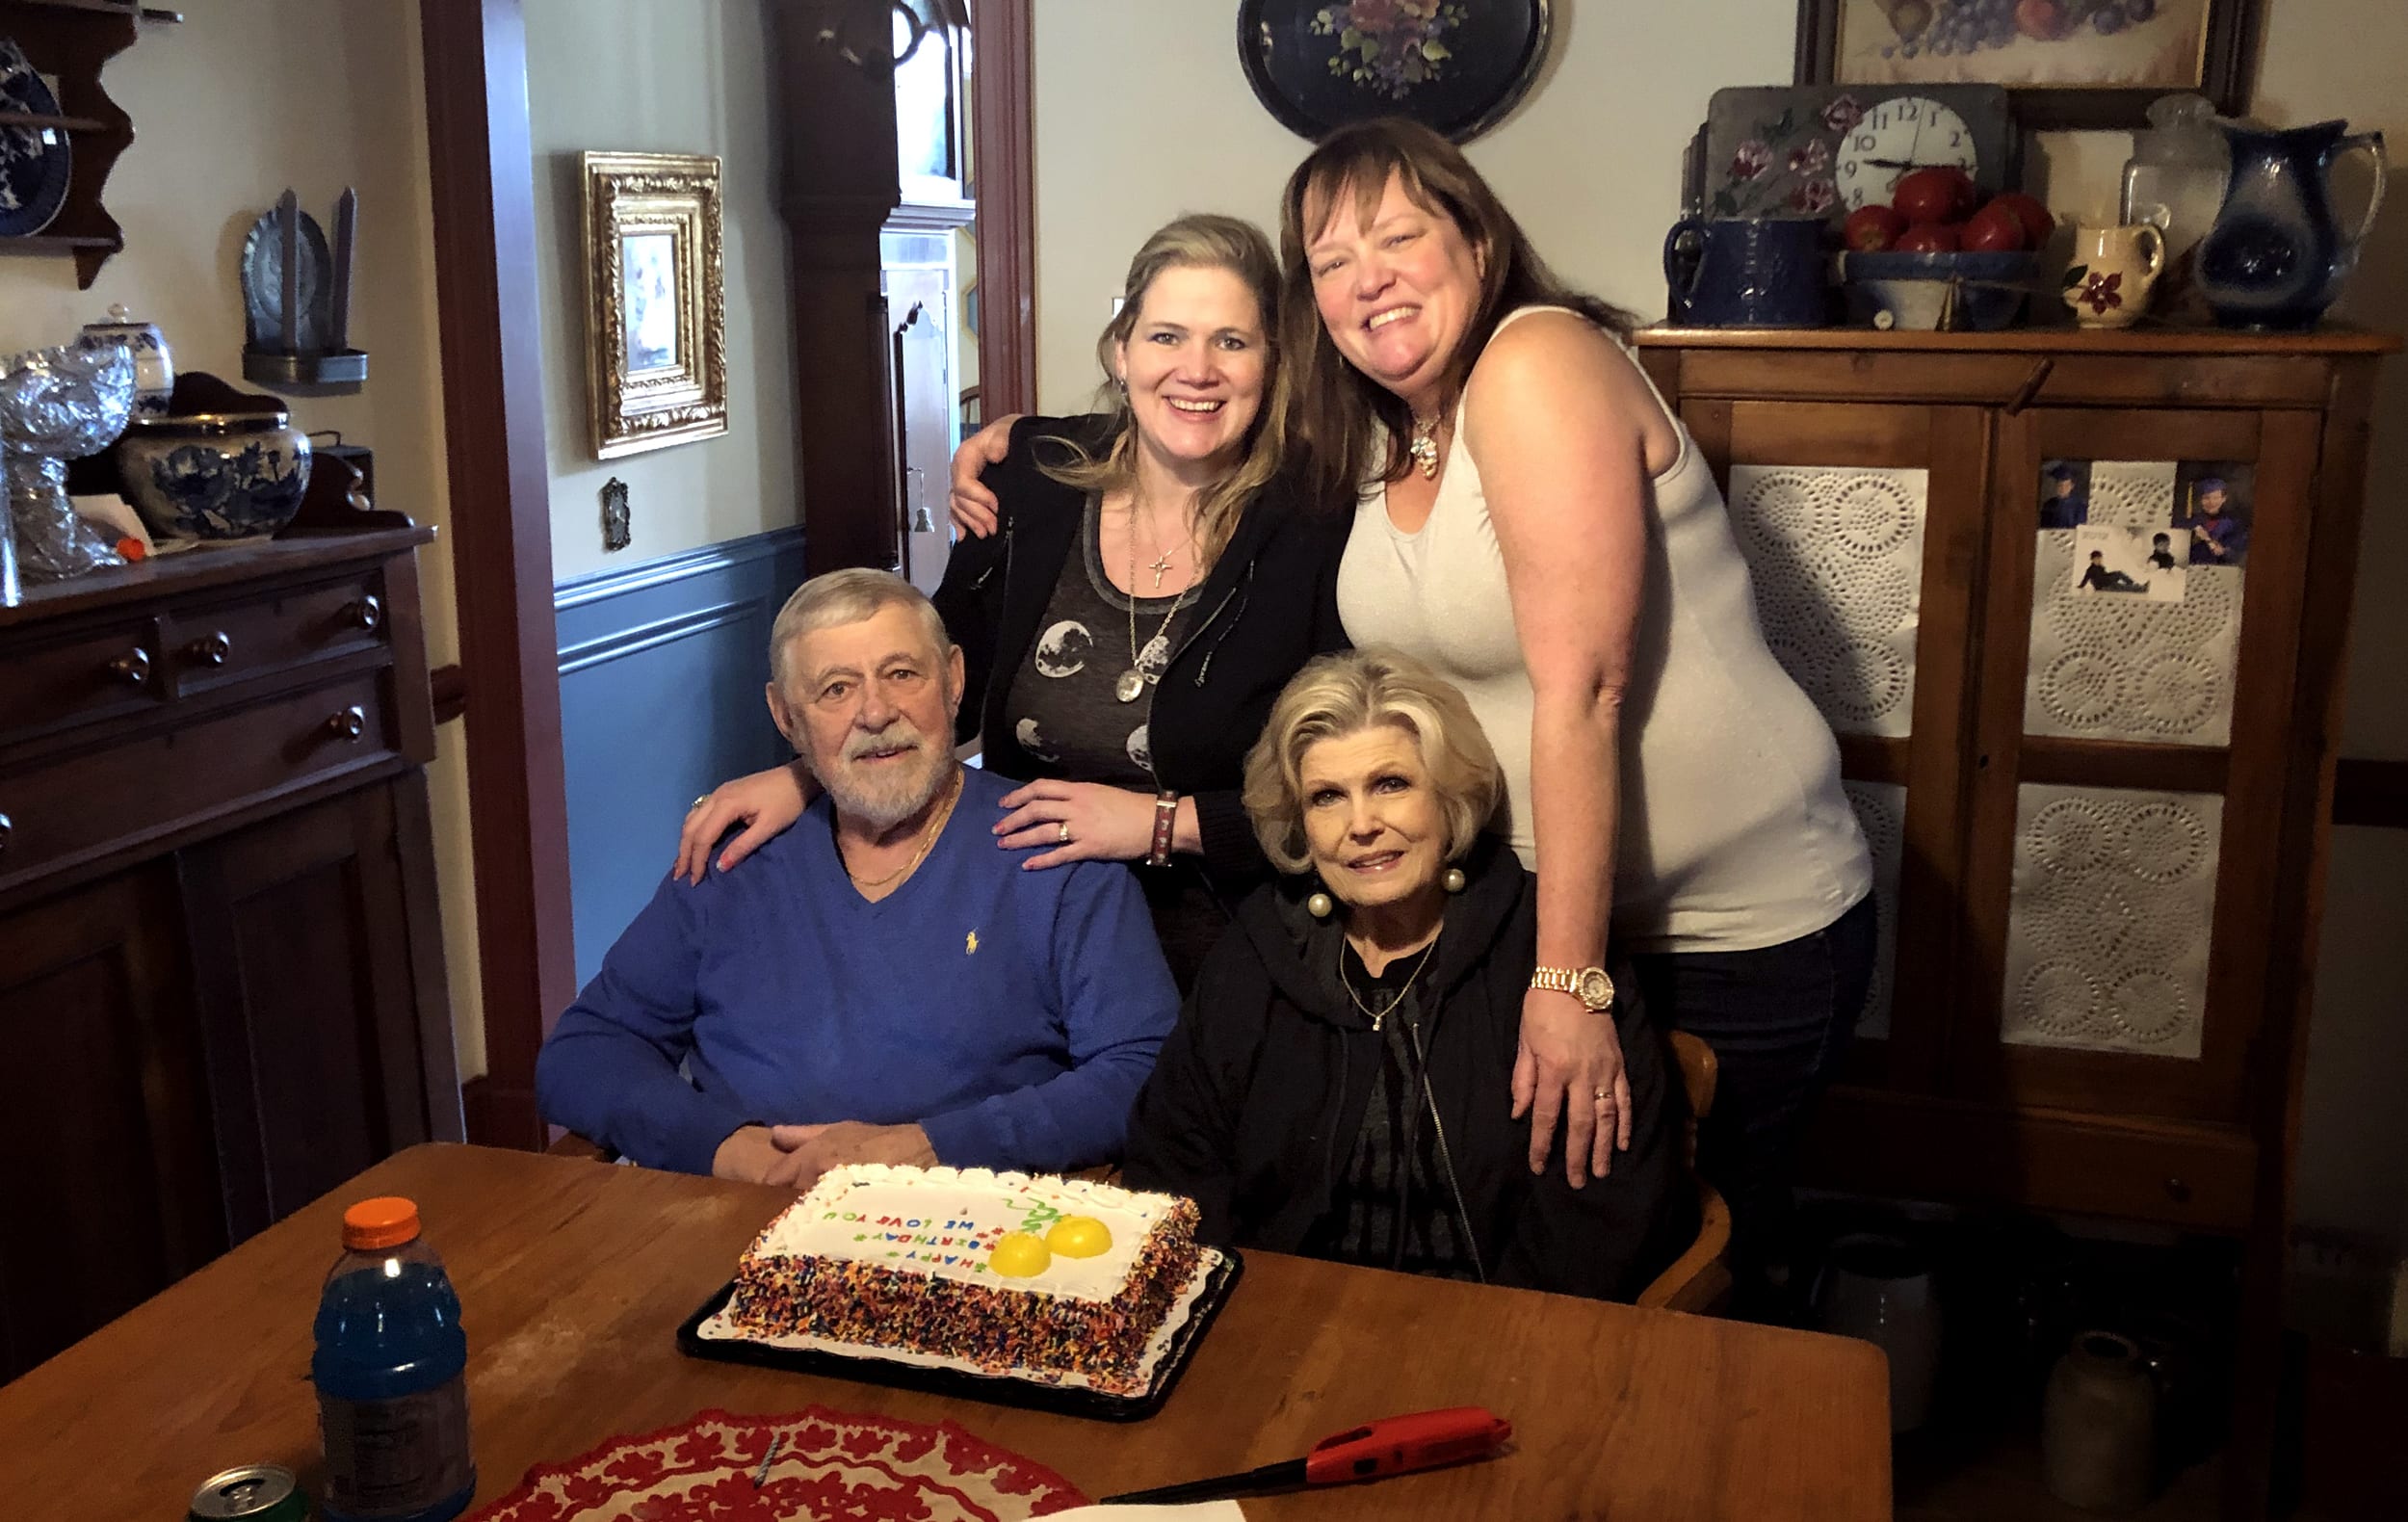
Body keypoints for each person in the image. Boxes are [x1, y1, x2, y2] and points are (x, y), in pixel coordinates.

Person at [1279, 118, 1875, 1310]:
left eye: (1398, 235)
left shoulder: (1536, 359)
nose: (1367, 278)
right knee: (1570, 1266)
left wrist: (1570, 983)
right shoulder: (1396, 434)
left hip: (1731, 936)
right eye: (1331, 259)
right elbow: (1196, 406)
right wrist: (1026, 452)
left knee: (1701, 1285)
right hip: (1562, 925)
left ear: (1480, 239)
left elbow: (1586, 689)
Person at [675, 215, 1349, 987]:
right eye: (1167, 337)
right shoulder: (1030, 477)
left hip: (1223, 946)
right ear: (1121, 351)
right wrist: (805, 775)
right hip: (1022, 924)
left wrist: (1162, 824)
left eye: (1232, 341)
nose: (1196, 369)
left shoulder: (1314, 523)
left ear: (1272, 361)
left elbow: (1342, 787)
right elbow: (943, 695)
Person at [539, 569, 1178, 1187]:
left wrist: (929, 1148)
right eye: (835, 689)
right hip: (741, 1218)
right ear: (786, 717)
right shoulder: (734, 859)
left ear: (953, 680)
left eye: (901, 674)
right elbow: (582, 1054)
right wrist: (735, 1152)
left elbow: (1144, 1071)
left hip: (972, 1226)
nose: (875, 712)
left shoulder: (1052, 849)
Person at [1123, 649, 1692, 1299]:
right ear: (1301, 824)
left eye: (1391, 784)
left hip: (1505, 1332)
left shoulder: (1548, 950)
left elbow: (1607, 1207)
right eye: (1327, 797)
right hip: (1277, 1323)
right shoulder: (1255, 953)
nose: (1362, 825)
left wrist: (1499, 1342)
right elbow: (1175, 1161)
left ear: (1449, 796)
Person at [2187, 477, 2246, 564]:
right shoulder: (2191, 522)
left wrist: (2223, 550)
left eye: (2216, 498)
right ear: (2200, 500)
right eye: (2206, 498)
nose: (2211, 502)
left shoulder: (2233, 524)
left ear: (2224, 499)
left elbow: (2238, 552)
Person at [2039, 461, 2089, 529]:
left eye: (2066, 485)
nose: (2063, 488)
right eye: (2060, 485)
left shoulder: (2080, 506)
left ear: (2072, 486)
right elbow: (2044, 527)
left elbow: (2081, 527)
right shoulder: (2049, 505)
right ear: (2056, 485)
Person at [2080, 549, 2148, 593]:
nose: (2099, 560)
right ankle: (2141, 588)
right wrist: (2081, 586)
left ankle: (2134, 584)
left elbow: (2105, 575)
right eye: (2097, 559)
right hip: (2103, 587)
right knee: (2122, 587)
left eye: (2100, 558)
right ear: (2092, 559)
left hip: (2107, 583)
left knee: (2119, 573)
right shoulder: (2090, 570)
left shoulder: (2100, 567)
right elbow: (2085, 579)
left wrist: (2113, 575)